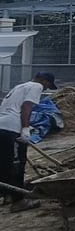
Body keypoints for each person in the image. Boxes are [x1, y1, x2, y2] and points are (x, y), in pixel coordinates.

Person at [0, 72, 58, 213]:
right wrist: (25, 129)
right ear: (44, 80)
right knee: (17, 165)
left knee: (4, 164)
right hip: (11, 128)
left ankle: (6, 195)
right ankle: (19, 201)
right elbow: (26, 106)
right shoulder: (36, 86)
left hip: (2, 126)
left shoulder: (20, 86)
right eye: (48, 85)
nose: (46, 89)